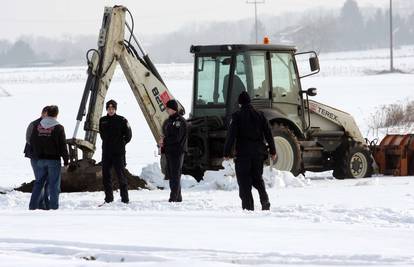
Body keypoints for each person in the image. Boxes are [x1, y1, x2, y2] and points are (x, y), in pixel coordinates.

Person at [223, 91, 277, 211]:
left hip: (243, 155)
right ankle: (265, 200)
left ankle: (248, 208)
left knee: (244, 183)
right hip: (258, 154)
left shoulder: (236, 116)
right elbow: (269, 134)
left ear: (240, 103)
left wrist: (226, 153)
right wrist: (273, 151)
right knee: (257, 178)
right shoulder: (260, 115)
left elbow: (231, 136)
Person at [30, 105, 69, 210]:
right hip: (53, 160)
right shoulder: (59, 128)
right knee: (54, 186)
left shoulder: (37, 126)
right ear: (56, 114)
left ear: (47, 113)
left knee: (38, 184)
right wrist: (66, 160)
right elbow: (62, 146)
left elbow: (32, 141)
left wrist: (38, 154)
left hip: (40, 160)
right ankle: (53, 208)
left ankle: (32, 207)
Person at [99, 99, 132, 204]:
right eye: (109, 108)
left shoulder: (122, 120)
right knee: (106, 176)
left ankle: (125, 199)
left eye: (113, 108)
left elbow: (128, 135)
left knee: (121, 176)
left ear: (115, 109)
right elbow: (102, 135)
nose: (111, 110)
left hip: (118, 153)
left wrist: (121, 144)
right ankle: (108, 198)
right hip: (107, 152)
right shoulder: (102, 120)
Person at [159, 99, 188, 202]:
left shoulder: (180, 122)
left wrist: (165, 140)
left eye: (168, 108)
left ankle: (173, 198)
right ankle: (178, 197)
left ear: (173, 109)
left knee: (175, 175)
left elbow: (176, 138)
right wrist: (162, 144)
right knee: (172, 175)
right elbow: (165, 135)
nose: (167, 110)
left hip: (177, 152)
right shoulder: (168, 121)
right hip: (169, 151)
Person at [26, 106, 50, 210]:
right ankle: (38, 205)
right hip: (36, 156)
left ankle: (45, 204)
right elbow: (28, 139)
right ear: (43, 113)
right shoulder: (34, 124)